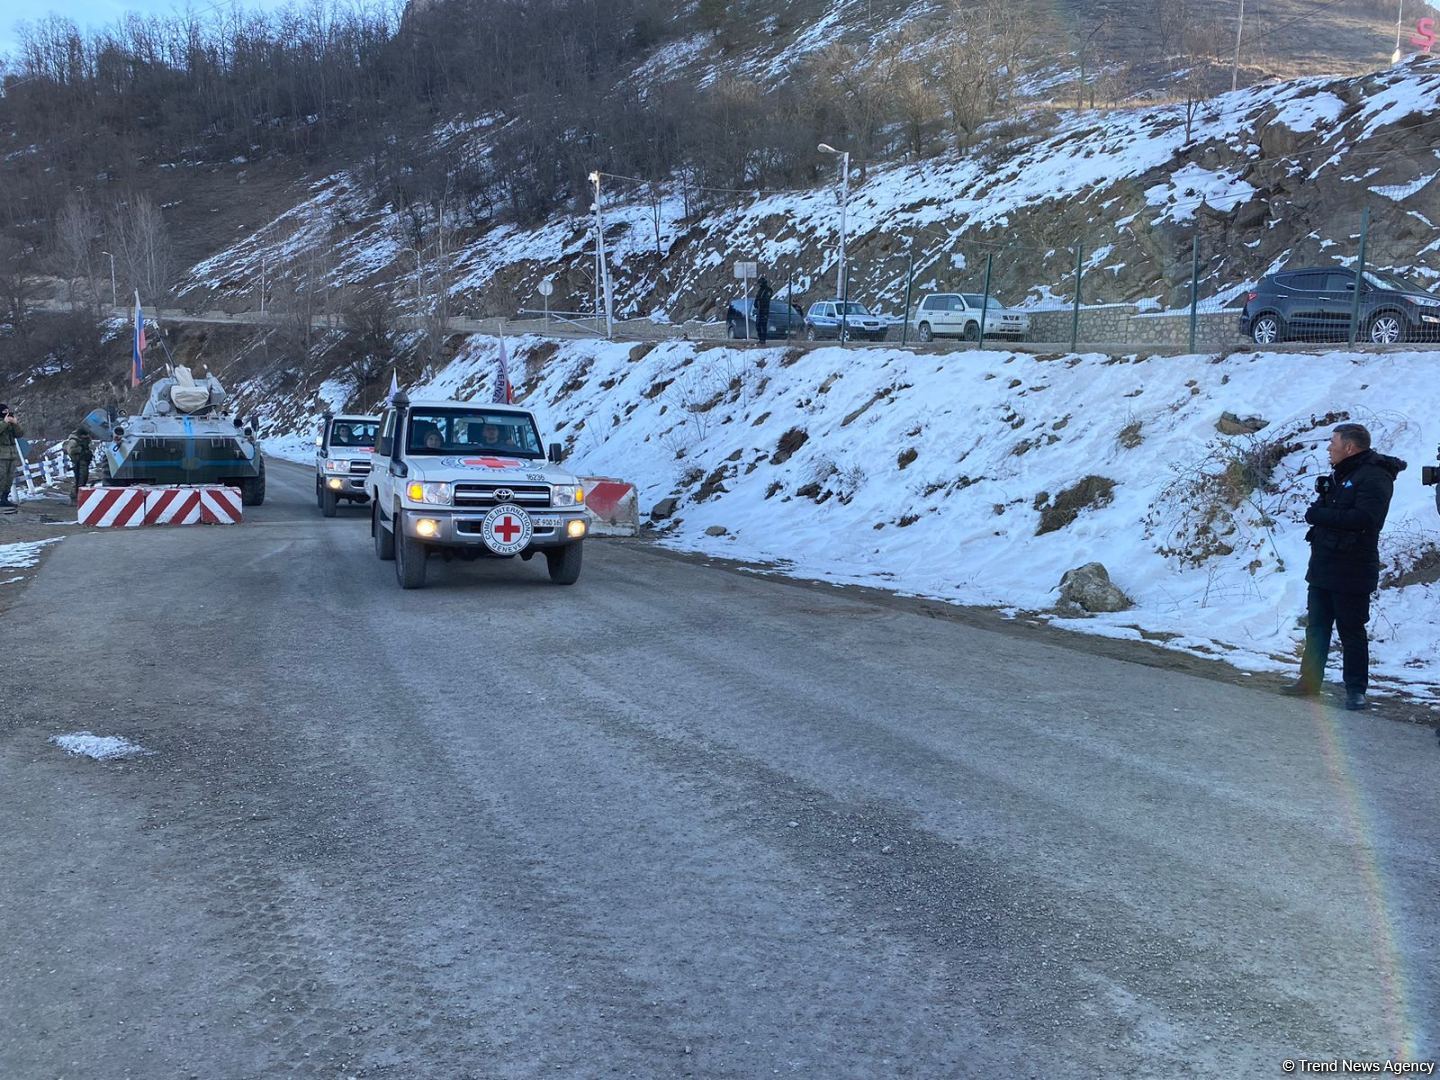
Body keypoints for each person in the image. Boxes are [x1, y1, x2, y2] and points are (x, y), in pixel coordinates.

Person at [1284, 423, 1406, 710]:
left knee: (1351, 630)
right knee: (1316, 627)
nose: (1329, 447)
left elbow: (1365, 519)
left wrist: (1319, 515)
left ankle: (1355, 690)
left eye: (1333, 442)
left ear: (1349, 447)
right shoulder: (1342, 474)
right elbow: (1327, 511)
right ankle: (1309, 681)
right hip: (1324, 563)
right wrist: (1321, 511)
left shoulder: (1375, 477)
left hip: (1353, 567)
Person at [0, 405, 22, 511]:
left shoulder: (10, 424)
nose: (7, 413)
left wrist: (15, 424)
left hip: (11, 455)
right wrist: (4, 422)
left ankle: (4, 498)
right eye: (4, 411)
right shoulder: (3, 423)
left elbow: (19, 434)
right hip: (1, 456)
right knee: (1, 477)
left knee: (9, 479)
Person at [64, 427, 94, 504]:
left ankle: (79, 496)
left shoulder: (85, 439)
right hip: (78, 462)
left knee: (84, 479)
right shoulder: (74, 441)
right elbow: (70, 451)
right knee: (79, 480)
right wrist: (80, 449)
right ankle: (74, 497)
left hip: (84, 461)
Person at [754, 276, 773, 345]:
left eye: (760, 283)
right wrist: (756, 303)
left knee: (763, 325)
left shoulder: (768, 290)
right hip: (759, 310)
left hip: (764, 310)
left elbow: (766, 299)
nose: (759, 285)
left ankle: (763, 340)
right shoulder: (760, 290)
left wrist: (760, 302)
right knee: (758, 325)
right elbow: (757, 299)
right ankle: (760, 339)